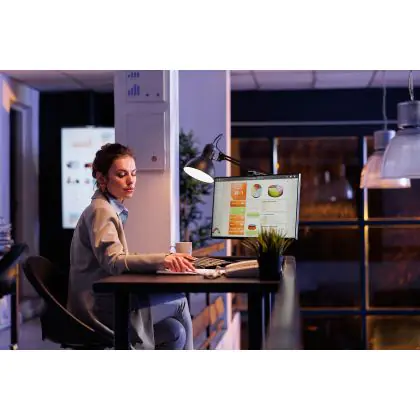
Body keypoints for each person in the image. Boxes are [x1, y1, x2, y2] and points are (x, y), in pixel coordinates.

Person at [67, 143, 196, 350]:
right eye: (121, 174)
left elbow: (117, 256)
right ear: (101, 178)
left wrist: (164, 259)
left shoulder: (107, 207)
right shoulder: (102, 210)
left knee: (174, 331)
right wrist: (163, 260)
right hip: (98, 308)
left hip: (106, 300)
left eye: (134, 173)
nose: (131, 180)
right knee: (180, 301)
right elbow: (113, 261)